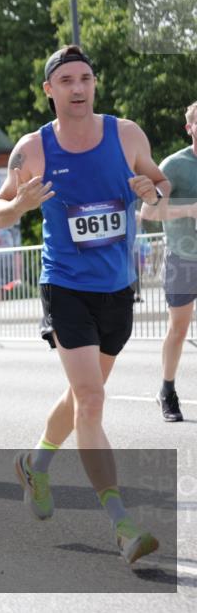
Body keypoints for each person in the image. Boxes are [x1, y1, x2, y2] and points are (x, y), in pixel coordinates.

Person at [0, 45, 167, 565]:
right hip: (65, 286)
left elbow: (159, 187)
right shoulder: (33, 149)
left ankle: (35, 464)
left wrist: (150, 194)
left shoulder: (127, 134)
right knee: (91, 400)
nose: (77, 87)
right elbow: (1, 211)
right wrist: (18, 204)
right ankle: (122, 525)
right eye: (65, 79)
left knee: (81, 396)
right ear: (49, 89)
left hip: (117, 288)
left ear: (94, 84)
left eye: (85, 78)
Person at [142, 100, 197, 422]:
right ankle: (167, 389)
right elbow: (149, 212)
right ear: (189, 127)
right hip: (183, 258)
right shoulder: (174, 165)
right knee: (178, 329)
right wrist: (188, 210)